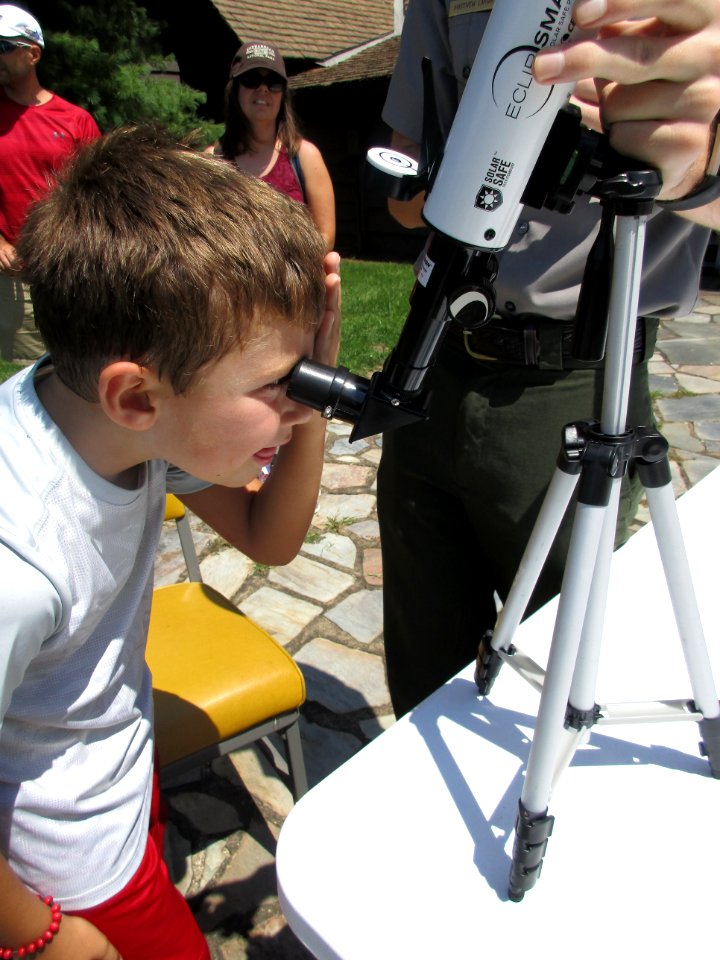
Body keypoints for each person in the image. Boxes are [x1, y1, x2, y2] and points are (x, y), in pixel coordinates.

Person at [0, 124, 340, 959]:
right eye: (276, 385)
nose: (299, 401)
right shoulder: (18, 555)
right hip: (69, 872)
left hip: (112, 767)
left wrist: (306, 404)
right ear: (138, 396)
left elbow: (271, 537)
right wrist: (48, 939)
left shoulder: (122, 423)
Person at [378, 0, 720, 717]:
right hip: (436, 356)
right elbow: (403, 173)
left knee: (567, 680)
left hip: (576, 378)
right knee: (422, 667)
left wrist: (704, 169)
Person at [0, 4, 100, 362]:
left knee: (71, 372)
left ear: (33, 53)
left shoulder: (76, 120)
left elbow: (97, 197)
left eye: (4, 47)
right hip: (12, 278)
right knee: (21, 378)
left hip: (67, 272)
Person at [208, 39, 336, 251]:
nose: (263, 89)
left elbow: (325, 237)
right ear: (235, 89)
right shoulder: (214, 160)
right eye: (251, 80)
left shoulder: (304, 156)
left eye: (273, 82)